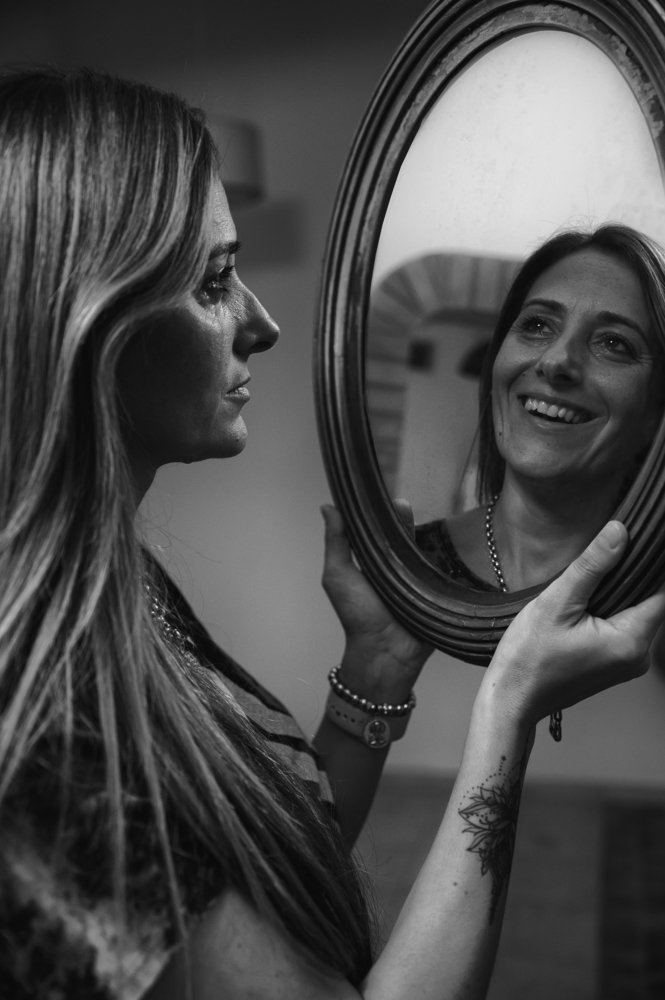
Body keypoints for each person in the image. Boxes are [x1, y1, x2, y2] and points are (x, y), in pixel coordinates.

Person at [0, 67, 663, 1000]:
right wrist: (507, 712)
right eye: (217, 281)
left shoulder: (118, 589)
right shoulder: (41, 718)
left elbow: (255, 895)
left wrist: (374, 674)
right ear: (87, 318)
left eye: (615, 344)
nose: (264, 323)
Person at [416, 224, 665, 593]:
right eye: (537, 324)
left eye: (614, 343)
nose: (556, 361)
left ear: (655, 415)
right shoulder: (410, 566)